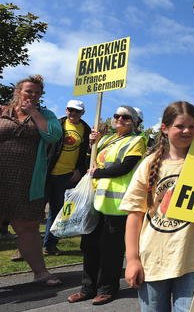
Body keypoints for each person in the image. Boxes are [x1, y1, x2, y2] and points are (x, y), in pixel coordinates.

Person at [120, 101, 194, 311]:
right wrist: (132, 259)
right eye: (179, 126)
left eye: (192, 127)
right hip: (152, 261)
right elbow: (134, 215)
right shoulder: (148, 164)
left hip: (190, 261)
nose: (186, 131)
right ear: (165, 128)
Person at [67, 105, 146, 305]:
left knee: (110, 249)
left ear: (135, 122)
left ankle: (107, 289)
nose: (120, 119)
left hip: (117, 204)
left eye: (126, 117)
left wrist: (98, 173)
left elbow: (124, 167)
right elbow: (91, 163)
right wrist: (91, 144)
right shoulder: (107, 139)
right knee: (90, 246)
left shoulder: (138, 141)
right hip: (95, 201)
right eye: (117, 115)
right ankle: (87, 288)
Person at [0, 74, 63, 285]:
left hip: (27, 182)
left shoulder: (46, 114)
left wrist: (34, 113)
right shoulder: (3, 112)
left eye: (37, 92)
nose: (33, 95)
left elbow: (53, 136)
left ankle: (41, 273)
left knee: (27, 227)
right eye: (29, 91)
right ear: (18, 91)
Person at [43, 99, 91, 255]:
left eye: (77, 111)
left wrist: (79, 169)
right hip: (46, 172)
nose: (73, 113)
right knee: (33, 210)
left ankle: (49, 244)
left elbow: (86, 153)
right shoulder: (57, 124)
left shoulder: (86, 129)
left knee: (56, 211)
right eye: (70, 110)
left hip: (66, 175)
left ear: (82, 113)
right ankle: (24, 248)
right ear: (65, 110)